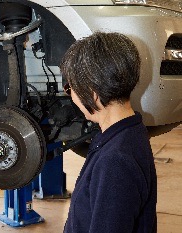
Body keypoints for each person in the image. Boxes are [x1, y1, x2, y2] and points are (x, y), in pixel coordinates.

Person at [60, 32, 157, 232]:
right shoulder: (128, 132)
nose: (71, 96)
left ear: (92, 91)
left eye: (70, 88)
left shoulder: (115, 161)